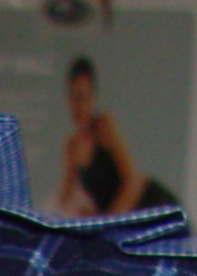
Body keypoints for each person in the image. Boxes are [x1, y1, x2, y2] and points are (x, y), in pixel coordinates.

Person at [56, 57, 163, 218]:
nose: (80, 106)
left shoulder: (104, 126)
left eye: (86, 97)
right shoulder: (72, 146)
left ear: (94, 98)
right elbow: (65, 198)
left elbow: (134, 183)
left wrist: (108, 223)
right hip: (122, 221)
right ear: (68, 100)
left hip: (150, 206)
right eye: (75, 98)